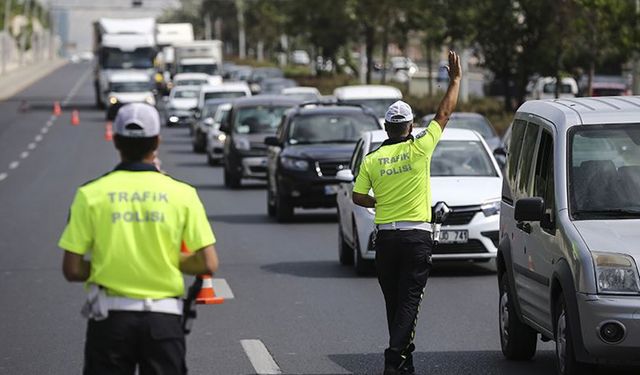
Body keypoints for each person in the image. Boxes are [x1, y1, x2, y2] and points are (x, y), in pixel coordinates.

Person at [58, 103, 219, 375]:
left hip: (110, 320)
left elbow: (72, 269)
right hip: (164, 321)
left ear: (116, 140)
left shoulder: (90, 194)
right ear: (157, 141)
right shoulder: (183, 194)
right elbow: (208, 262)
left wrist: (109, 263)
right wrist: (164, 259)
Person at [352, 51, 462, 375]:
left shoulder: (372, 159)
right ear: (411, 126)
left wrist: (379, 203)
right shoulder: (420, 148)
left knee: (394, 304)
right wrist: (455, 80)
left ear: (386, 128)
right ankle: (393, 359)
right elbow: (444, 113)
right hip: (416, 239)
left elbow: (358, 196)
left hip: (385, 239)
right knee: (409, 303)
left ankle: (404, 364)